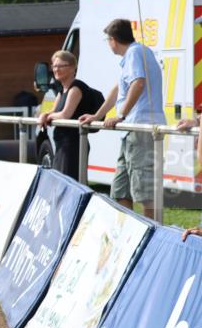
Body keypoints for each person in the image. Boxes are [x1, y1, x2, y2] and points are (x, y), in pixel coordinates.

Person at [78, 18, 165, 220]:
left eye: (108, 40)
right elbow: (119, 89)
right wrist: (98, 115)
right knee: (120, 190)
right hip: (130, 131)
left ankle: (152, 232)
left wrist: (120, 115)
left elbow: (138, 83)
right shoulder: (132, 56)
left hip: (140, 127)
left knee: (145, 192)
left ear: (113, 39)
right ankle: (131, 231)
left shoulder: (135, 52)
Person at [35, 50, 92, 180]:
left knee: (69, 184)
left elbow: (65, 114)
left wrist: (47, 117)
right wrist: (45, 114)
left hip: (73, 146)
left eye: (61, 66)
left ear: (73, 68)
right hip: (61, 145)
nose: (56, 69)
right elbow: (54, 112)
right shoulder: (62, 90)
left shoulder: (76, 87)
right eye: (54, 66)